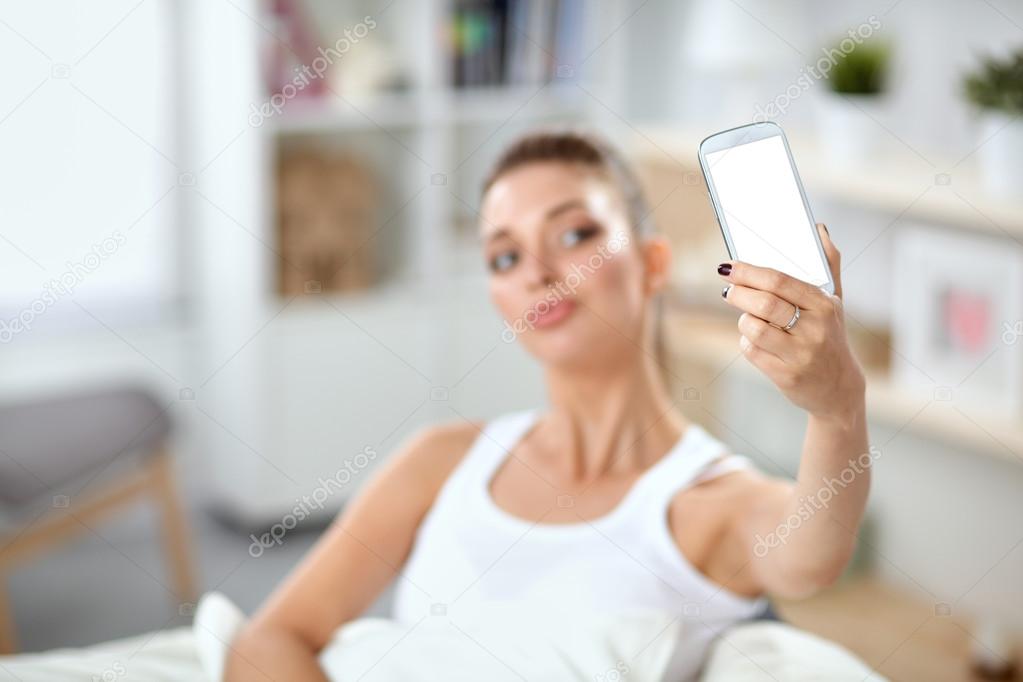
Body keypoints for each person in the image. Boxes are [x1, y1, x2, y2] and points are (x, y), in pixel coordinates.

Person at [226, 129, 870, 681]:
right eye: (505, 255)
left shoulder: (712, 505)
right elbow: (266, 642)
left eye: (573, 233)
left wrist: (838, 410)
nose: (535, 269)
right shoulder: (442, 461)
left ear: (652, 262)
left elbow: (812, 557)